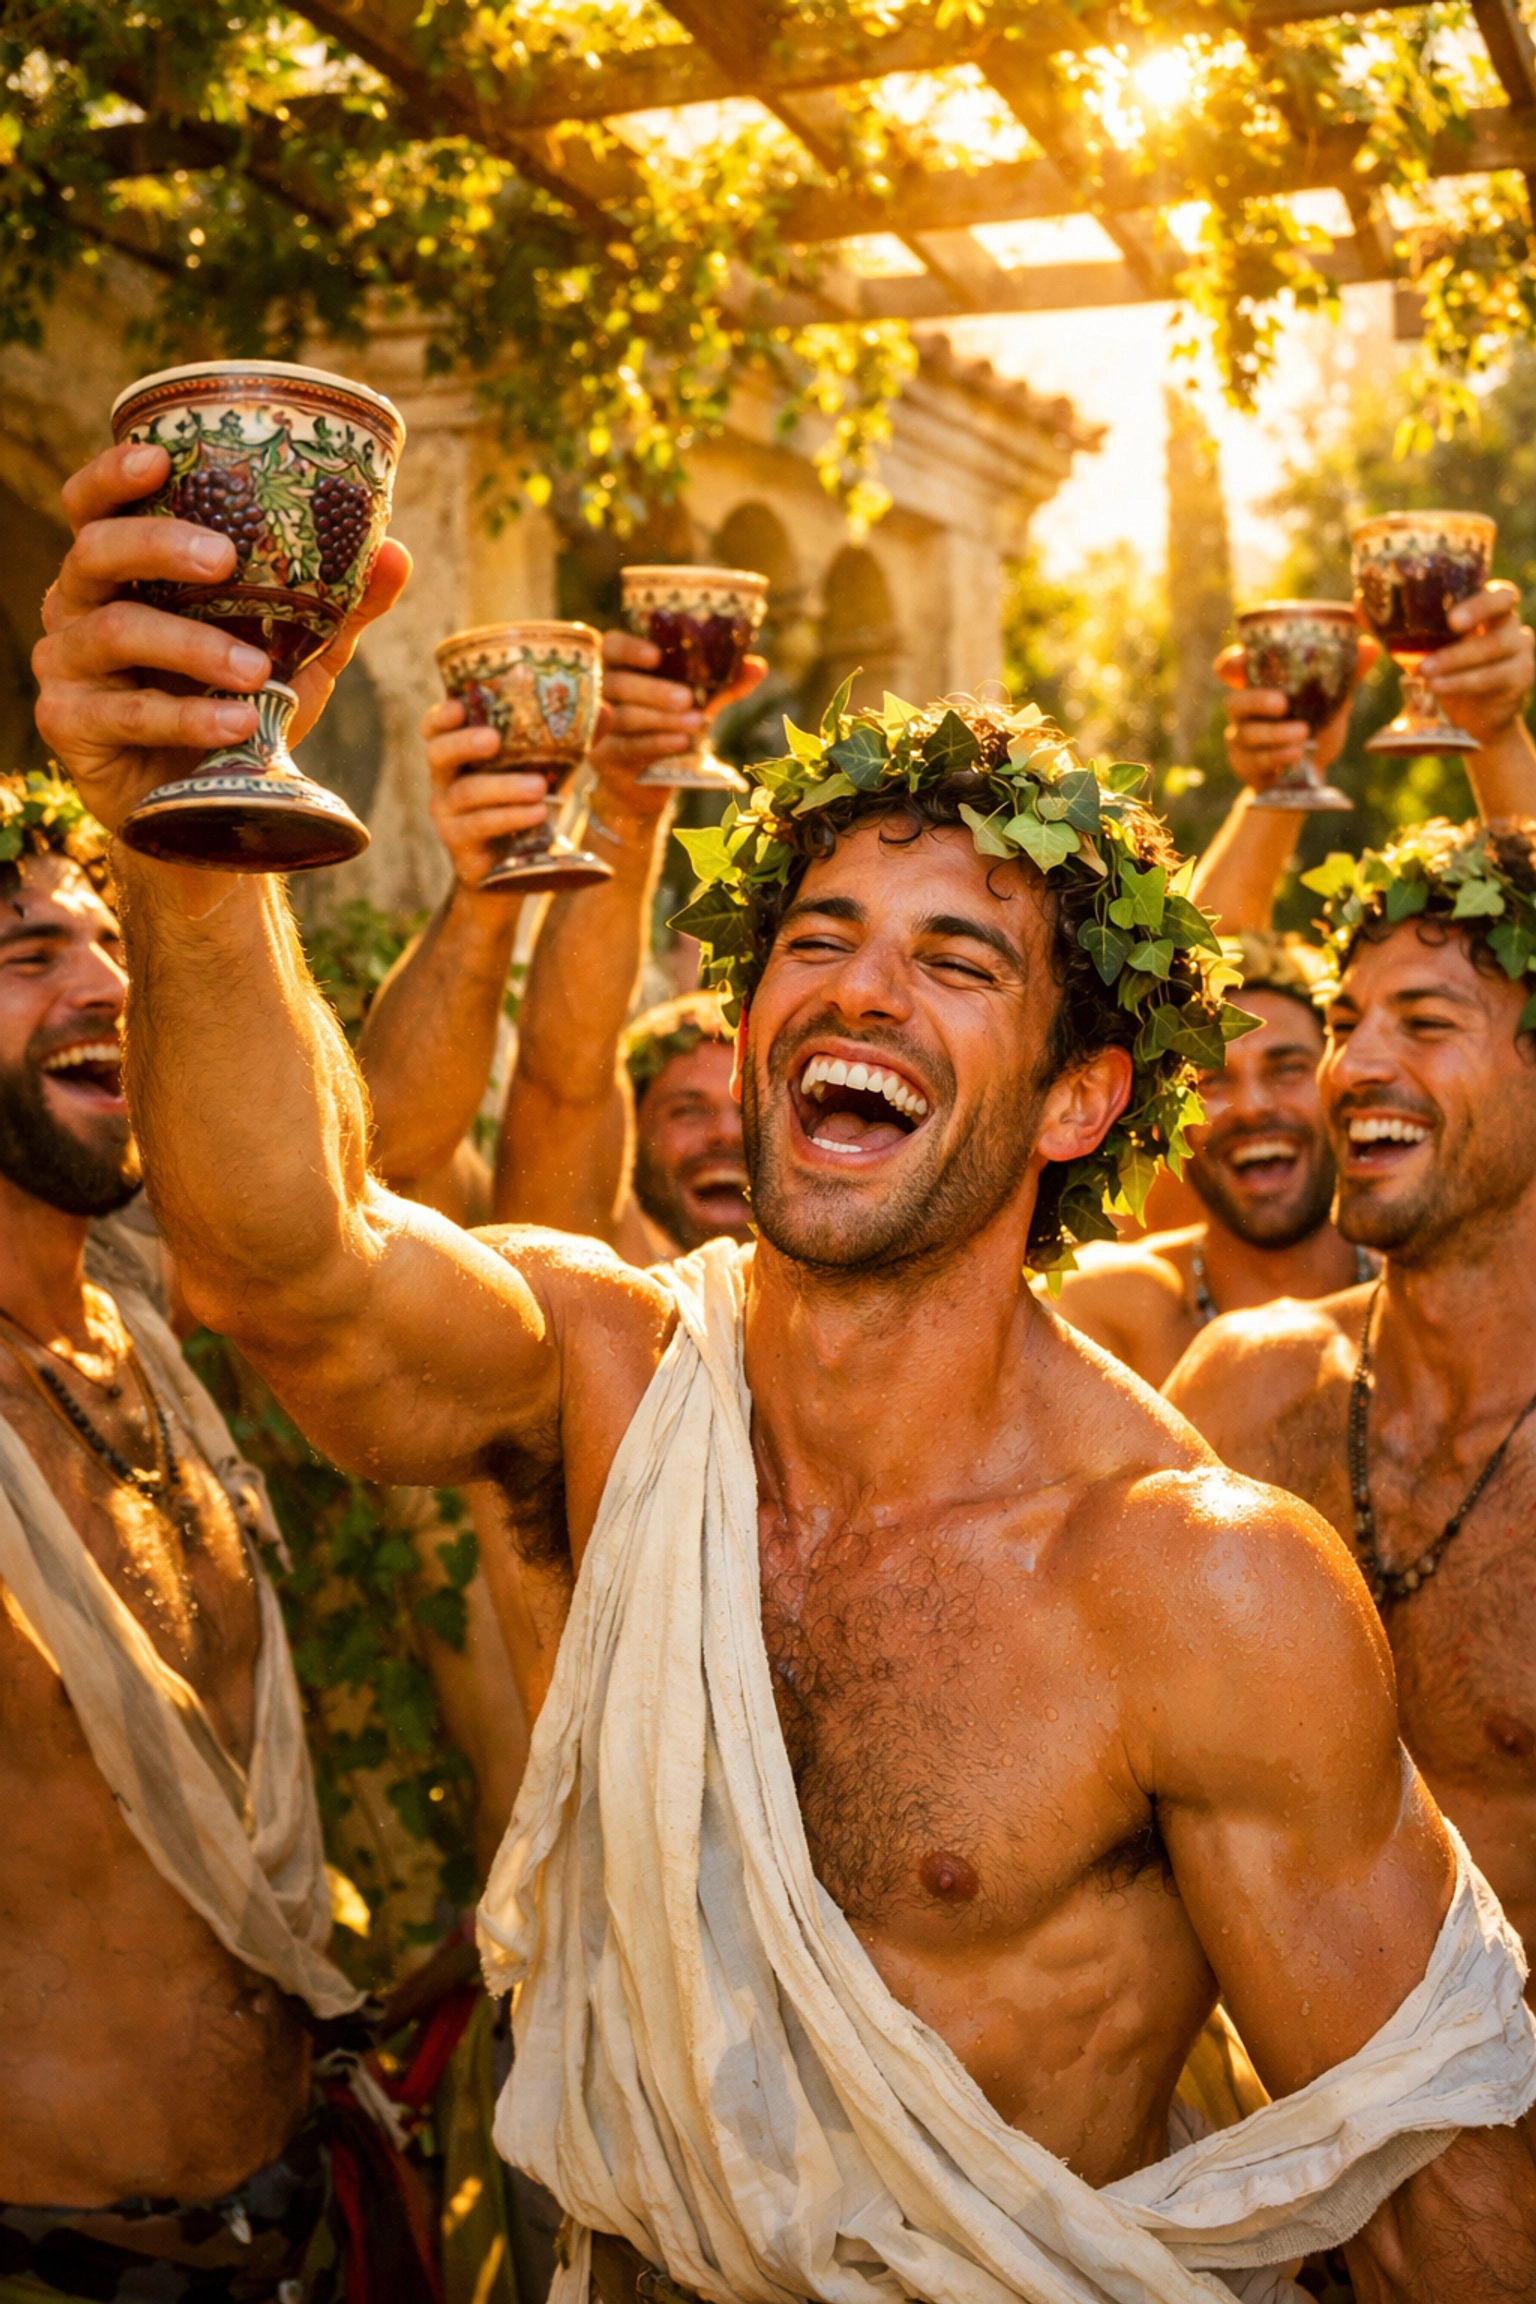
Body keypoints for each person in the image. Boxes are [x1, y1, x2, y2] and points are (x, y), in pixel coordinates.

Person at [35, 442, 1536, 2302]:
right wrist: (188, 837)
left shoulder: (1190, 1578)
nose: (859, 990)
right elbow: (288, 1262)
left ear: (1080, 1100)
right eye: (815, 938)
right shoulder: (605, 1373)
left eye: (957, 959)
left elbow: (1424, 2176)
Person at [0, 771, 435, 2302]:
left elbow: (365, 1183)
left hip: (299, 2208)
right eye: (22, 957)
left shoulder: (146, 1328)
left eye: (104, 939)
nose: (102, 982)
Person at [1166, 813, 1536, 1980]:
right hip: (1289, 2131)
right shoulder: (1247, 1389)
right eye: (1345, 1023)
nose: (1354, 1067)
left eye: (1424, 1024)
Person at [1051, 581, 1536, 1385]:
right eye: (1214, 1081)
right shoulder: (1129, 1302)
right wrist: (1281, 782)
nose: (1255, 1105)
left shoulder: (1443, 1267)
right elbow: (1170, 1006)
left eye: (1289, 1065)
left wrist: (1491, 730)